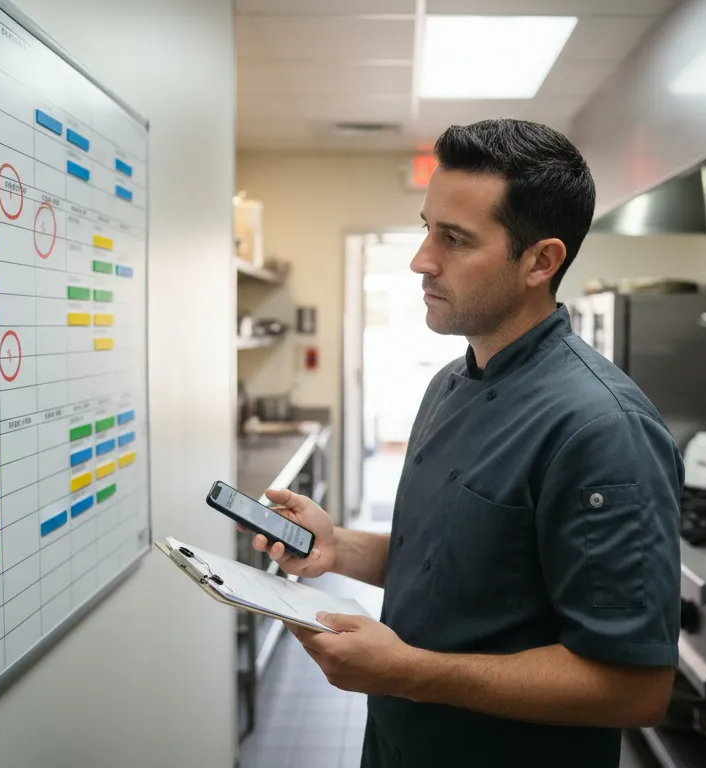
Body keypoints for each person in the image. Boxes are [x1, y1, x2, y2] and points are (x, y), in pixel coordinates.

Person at [250, 118, 683, 767]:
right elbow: (460, 570)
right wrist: (337, 547)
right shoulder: (451, 383)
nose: (422, 258)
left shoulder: (601, 428)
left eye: (454, 239)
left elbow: (635, 688)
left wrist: (409, 673)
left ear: (541, 261)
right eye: (428, 227)